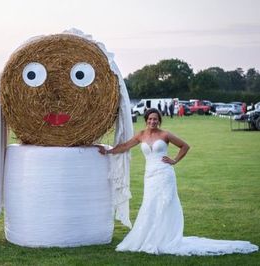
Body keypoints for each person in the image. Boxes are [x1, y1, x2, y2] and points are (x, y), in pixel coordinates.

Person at [98, 108, 258, 255]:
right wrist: (108, 151)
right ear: (146, 120)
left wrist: (174, 160)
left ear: (159, 121)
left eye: (155, 119)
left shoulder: (165, 135)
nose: (153, 122)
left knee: (165, 205)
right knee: (150, 205)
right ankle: (151, 237)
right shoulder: (141, 135)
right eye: (150, 119)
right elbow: (125, 146)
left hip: (165, 174)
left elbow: (185, 146)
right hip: (150, 176)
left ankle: (166, 238)